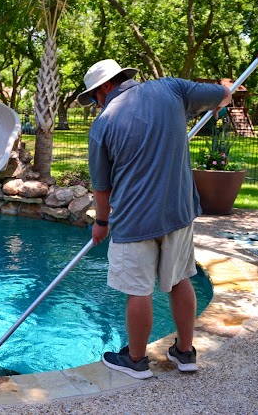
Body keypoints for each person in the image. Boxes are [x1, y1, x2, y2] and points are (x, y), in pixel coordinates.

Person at [76, 59, 232, 379]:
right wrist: (225, 88)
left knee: (139, 291)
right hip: (178, 213)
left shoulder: (103, 124)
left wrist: (101, 223)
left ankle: (135, 360)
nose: (96, 104)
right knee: (180, 280)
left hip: (134, 221)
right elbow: (224, 96)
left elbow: (102, 188)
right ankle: (185, 352)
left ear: (105, 87)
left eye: (93, 97)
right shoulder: (171, 89)